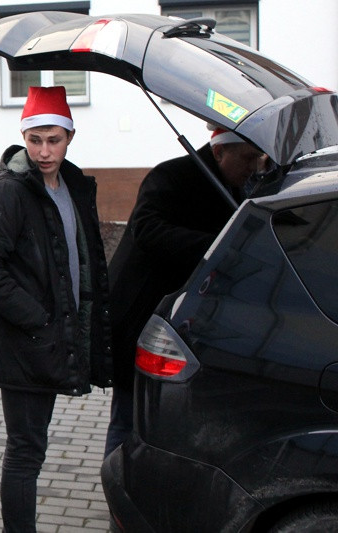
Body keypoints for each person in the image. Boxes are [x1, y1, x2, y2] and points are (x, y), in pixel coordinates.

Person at [0, 85, 112, 532]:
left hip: (53, 338)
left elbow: (83, 258)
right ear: (23, 137)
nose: (44, 151)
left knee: (34, 447)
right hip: (24, 343)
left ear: (71, 136)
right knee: (25, 450)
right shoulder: (9, 191)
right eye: (35, 139)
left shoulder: (73, 185)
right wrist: (36, 317)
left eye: (54, 139)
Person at [103, 125, 266, 457]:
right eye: (247, 158)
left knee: (160, 422)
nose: (253, 167)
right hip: (141, 318)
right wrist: (216, 247)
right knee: (129, 417)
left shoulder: (238, 185)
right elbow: (147, 229)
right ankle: (117, 495)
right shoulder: (171, 176)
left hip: (182, 323)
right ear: (220, 151)